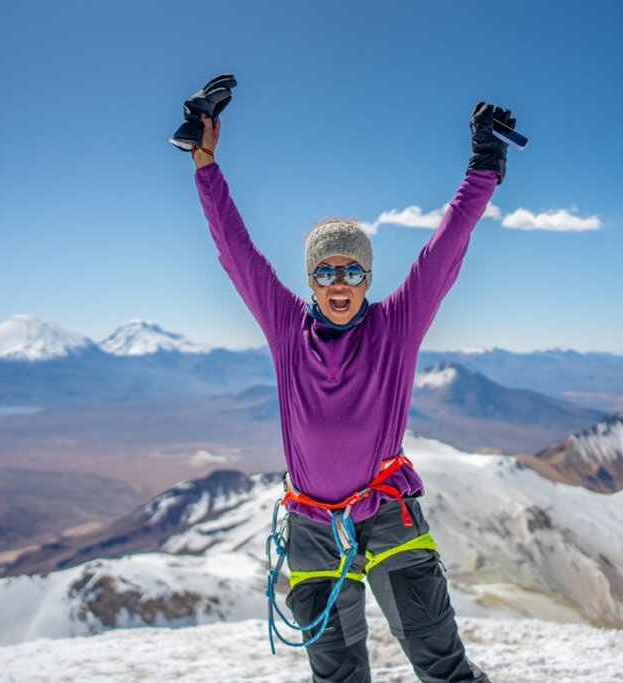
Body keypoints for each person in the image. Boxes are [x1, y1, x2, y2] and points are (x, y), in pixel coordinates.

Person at [190, 100, 513, 683]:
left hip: (387, 514)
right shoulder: (287, 326)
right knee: (336, 676)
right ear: (310, 279)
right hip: (312, 527)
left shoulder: (396, 325)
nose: (340, 283)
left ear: (368, 277)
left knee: (442, 664)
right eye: (326, 271)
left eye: (353, 271)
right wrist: (205, 166)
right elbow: (236, 253)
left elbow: (443, 249)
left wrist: (483, 168)